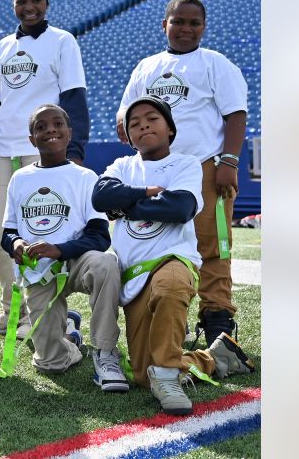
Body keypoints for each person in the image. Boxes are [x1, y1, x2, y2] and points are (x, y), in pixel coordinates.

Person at [93, 96, 255, 415]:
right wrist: (143, 194)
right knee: (142, 374)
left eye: (151, 119)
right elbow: (100, 196)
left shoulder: (185, 163)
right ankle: (218, 357)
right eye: (134, 124)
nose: (143, 126)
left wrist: (123, 206)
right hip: (134, 274)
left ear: (170, 128)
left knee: (170, 287)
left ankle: (168, 375)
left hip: (173, 260)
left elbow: (180, 208)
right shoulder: (122, 166)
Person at [117, 0, 248, 347]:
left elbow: (235, 114)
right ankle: (168, 315)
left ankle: (217, 321)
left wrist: (230, 162)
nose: (186, 29)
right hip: (158, 171)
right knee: (157, 244)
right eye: (178, 21)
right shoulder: (146, 67)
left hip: (203, 167)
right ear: (165, 25)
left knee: (213, 246)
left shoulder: (214, 63)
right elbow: (125, 113)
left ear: (204, 27)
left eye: (194, 23)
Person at [0, 0, 90, 338]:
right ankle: (14, 311)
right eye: (22, 1)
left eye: (36, 0)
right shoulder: (5, 45)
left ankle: (50, 314)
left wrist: (75, 152)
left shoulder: (62, 41)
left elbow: (74, 98)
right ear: (13, 5)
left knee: (40, 234)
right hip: (4, 151)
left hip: (43, 153)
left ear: (47, 3)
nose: (29, 7)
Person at [0, 104, 127, 391]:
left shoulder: (85, 177)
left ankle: (105, 352)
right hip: (40, 272)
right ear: (32, 139)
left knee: (106, 263)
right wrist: (16, 243)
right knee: (50, 363)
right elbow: (7, 231)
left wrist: (60, 249)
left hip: (75, 263)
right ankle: (70, 338)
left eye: (57, 124)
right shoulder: (20, 178)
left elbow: (99, 236)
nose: (50, 130)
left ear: (70, 133)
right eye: (40, 127)